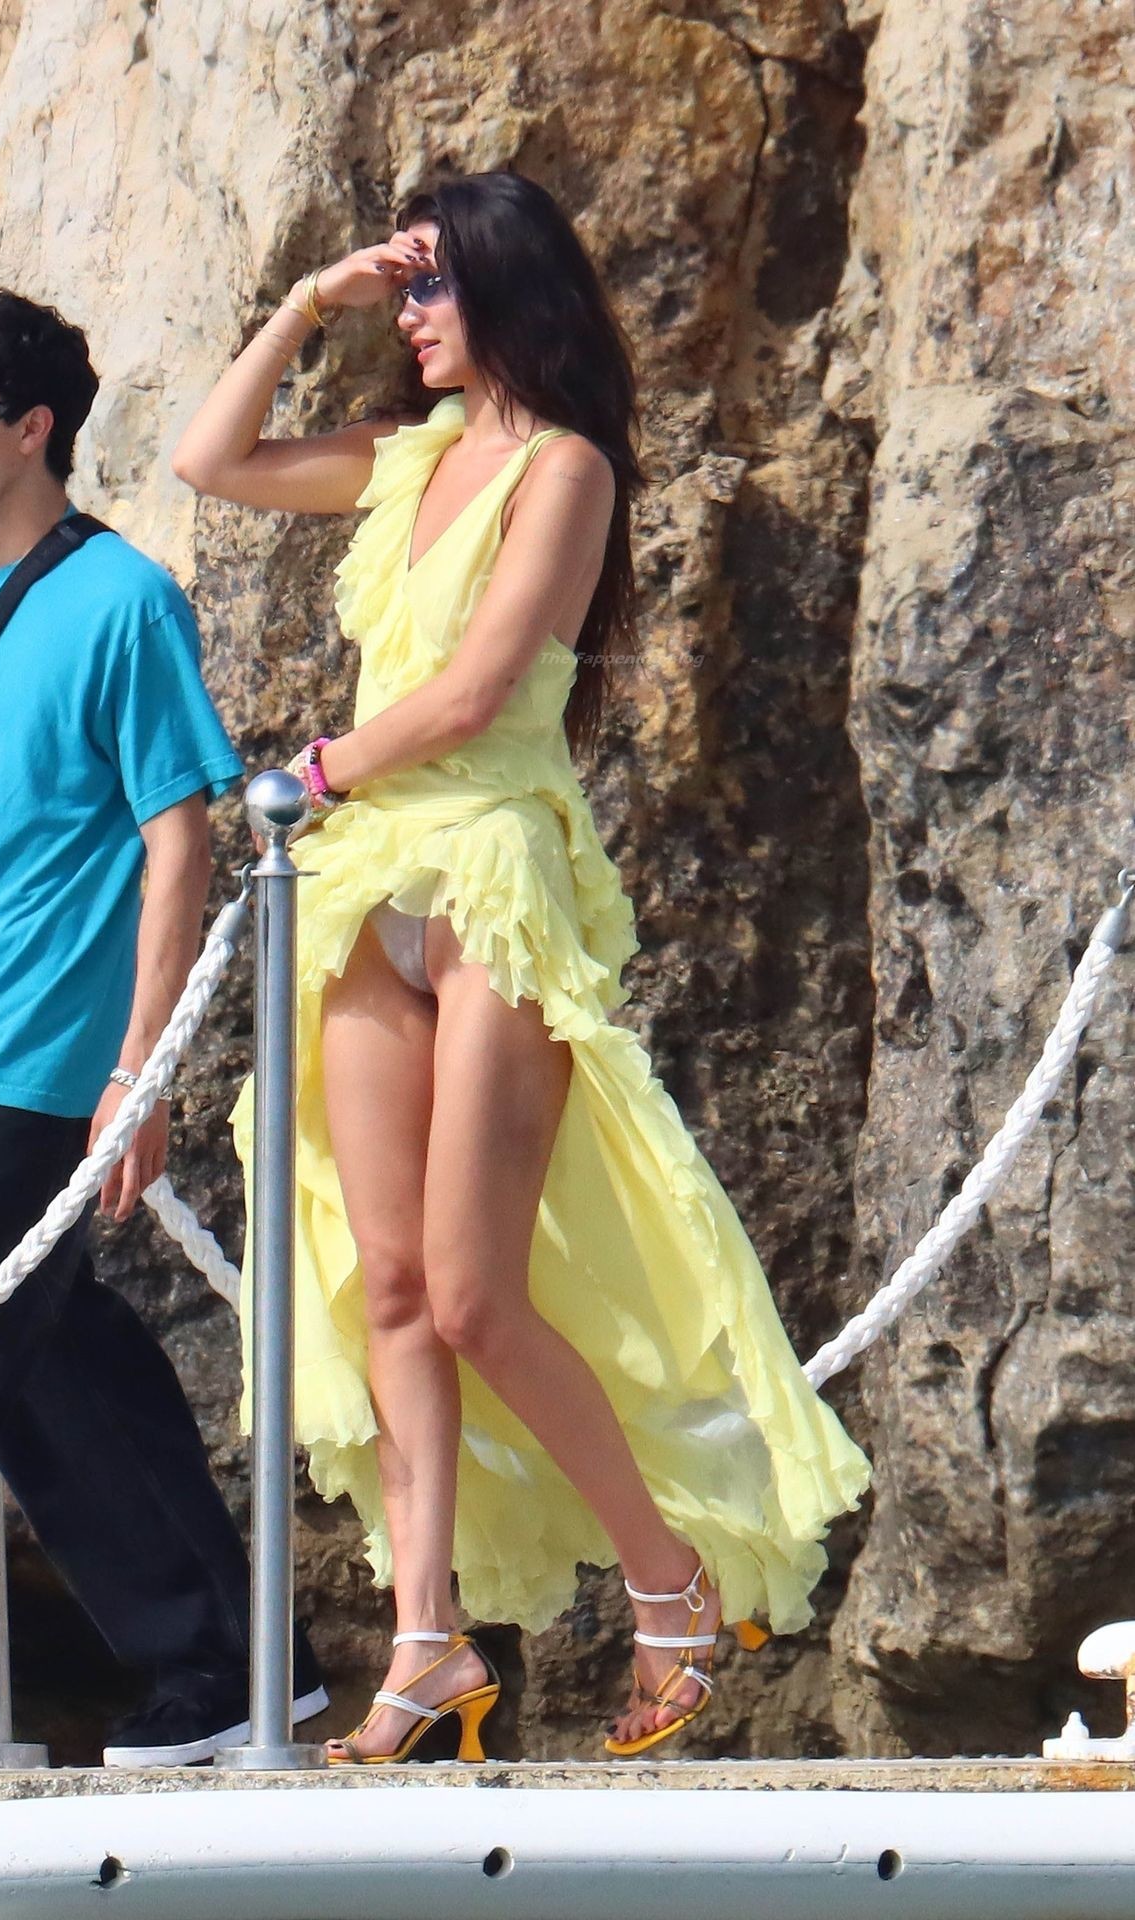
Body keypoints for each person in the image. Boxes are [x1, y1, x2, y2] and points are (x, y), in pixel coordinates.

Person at [173, 171, 870, 1763]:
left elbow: (480, 689)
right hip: (367, 884)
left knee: (477, 1290)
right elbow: (209, 460)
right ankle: (426, 1645)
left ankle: (668, 1584)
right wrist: (312, 302)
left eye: (431, 283)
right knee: (393, 1287)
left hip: (487, 866)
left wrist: (316, 771)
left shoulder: (568, 467)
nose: (410, 311)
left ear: (506, 288)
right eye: (404, 284)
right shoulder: (405, 454)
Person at [0, 284, 326, 1769]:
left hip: (43, 1054)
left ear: (33, 427)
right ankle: (228, 1668)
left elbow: (179, 835)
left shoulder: (124, 601)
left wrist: (137, 1068)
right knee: (50, 1365)